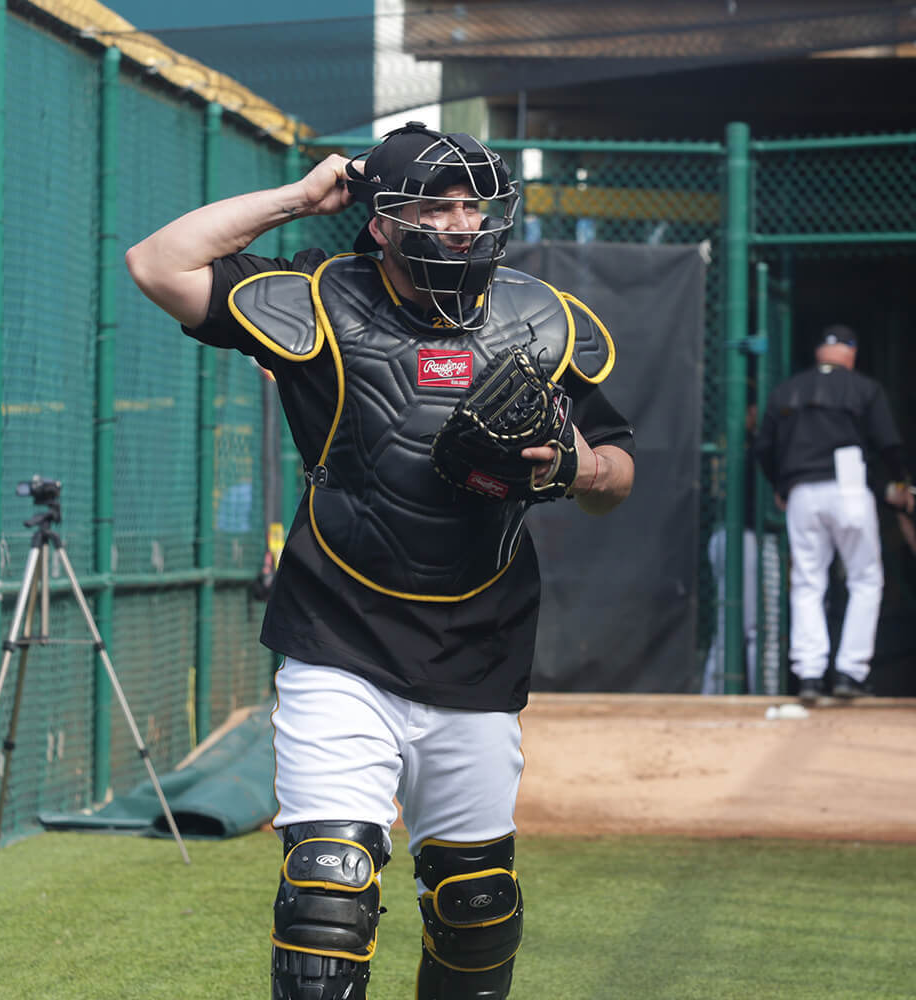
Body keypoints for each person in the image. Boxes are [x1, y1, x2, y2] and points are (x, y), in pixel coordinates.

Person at [127, 122, 635, 1000]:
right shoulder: (319, 302)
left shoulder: (540, 321)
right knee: (329, 898)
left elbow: (619, 474)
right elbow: (156, 263)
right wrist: (299, 196)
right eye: (436, 204)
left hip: (481, 644)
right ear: (382, 220)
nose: (461, 222)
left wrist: (574, 466)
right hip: (339, 641)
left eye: (475, 204)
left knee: (477, 906)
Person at [755, 324, 914, 705]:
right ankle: (849, 672)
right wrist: (901, 483)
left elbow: (763, 448)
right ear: (851, 353)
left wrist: (780, 484)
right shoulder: (863, 387)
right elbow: (888, 443)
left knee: (808, 582)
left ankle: (809, 675)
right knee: (865, 578)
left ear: (819, 353)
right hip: (849, 485)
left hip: (801, 490)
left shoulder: (786, 390)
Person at [701, 396, 780, 695]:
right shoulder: (750, 447)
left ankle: (714, 696)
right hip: (743, 539)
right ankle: (763, 696)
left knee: (734, 629)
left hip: (727, 537)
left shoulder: (726, 442)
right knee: (754, 629)